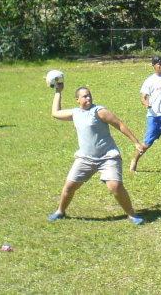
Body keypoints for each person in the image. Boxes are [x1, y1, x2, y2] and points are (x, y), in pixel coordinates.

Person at [47, 81, 147, 225]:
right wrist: (58, 92)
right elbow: (55, 113)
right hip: (85, 158)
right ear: (77, 100)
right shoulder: (75, 113)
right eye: (85, 97)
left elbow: (119, 124)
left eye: (89, 96)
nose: (88, 99)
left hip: (107, 157)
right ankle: (60, 211)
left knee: (115, 186)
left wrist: (136, 142)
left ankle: (132, 214)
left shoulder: (99, 111)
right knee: (69, 186)